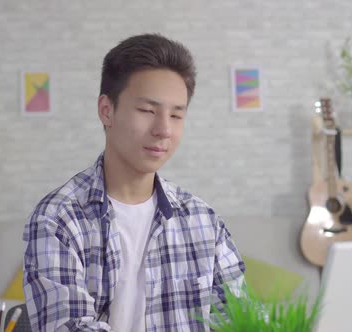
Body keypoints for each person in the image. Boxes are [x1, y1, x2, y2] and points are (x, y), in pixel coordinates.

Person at [23, 33, 245, 332]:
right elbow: (68, 326)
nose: (164, 130)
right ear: (107, 110)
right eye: (147, 111)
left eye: (177, 115)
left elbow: (241, 320)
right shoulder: (59, 219)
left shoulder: (203, 221)